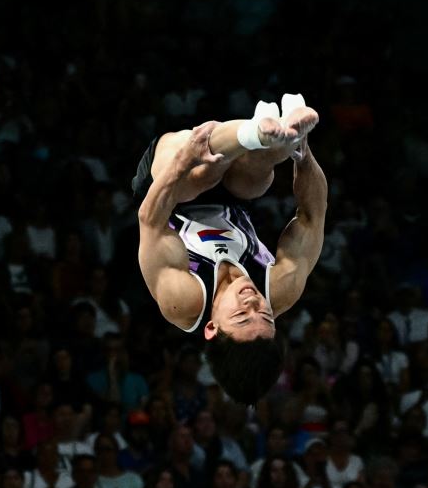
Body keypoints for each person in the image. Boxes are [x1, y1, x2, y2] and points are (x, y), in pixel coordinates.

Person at [133, 108, 328, 404]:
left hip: (164, 193)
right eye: (264, 314)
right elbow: (312, 216)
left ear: (211, 328)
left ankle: (258, 133)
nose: (253, 302)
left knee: (201, 173)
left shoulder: (183, 300)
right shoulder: (281, 287)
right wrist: (303, 153)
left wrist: (180, 163)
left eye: (240, 316)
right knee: (256, 179)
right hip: (235, 197)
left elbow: (150, 220)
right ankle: (281, 135)